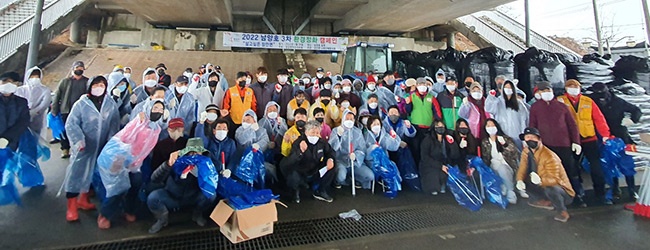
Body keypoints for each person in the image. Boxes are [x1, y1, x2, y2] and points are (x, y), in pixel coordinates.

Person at [97, 102, 164, 229]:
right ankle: (105, 215)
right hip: (119, 158)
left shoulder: (156, 129)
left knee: (136, 184)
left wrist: (135, 164)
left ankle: (129, 210)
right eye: (155, 108)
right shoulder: (138, 122)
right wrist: (120, 161)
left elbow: (146, 149)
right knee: (117, 188)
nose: (158, 111)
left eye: (161, 109)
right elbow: (123, 141)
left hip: (135, 163)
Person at [63, 76, 120, 222]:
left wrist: (110, 143)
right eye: (95, 85)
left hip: (101, 147)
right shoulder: (81, 104)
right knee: (76, 175)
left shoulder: (110, 103)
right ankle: (72, 207)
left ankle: (83, 200)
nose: (99, 87)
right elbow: (71, 124)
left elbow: (114, 123)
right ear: (89, 87)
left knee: (92, 175)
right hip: (83, 148)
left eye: (102, 85)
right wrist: (78, 141)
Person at [529, 81, 584, 207]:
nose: (545, 93)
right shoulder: (536, 108)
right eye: (542, 91)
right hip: (546, 146)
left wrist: (576, 142)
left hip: (564, 145)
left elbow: (572, 125)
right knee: (548, 173)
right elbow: (532, 125)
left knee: (570, 171)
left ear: (552, 91)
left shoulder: (562, 106)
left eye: (547, 90)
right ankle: (554, 199)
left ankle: (576, 196)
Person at [146, 138, 218, 233]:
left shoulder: (207, 165)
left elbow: (213, 183)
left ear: (202, 153)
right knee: (153, 197)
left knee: (212, 195)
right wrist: (168, 164)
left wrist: (203, 174)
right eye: (191, 152)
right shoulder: (177, 162)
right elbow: (155, 179)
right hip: (172, 196)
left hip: (193, 198)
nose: (194, 155)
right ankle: (162, 219)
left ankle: (197, 214)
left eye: (197, 152)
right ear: (186, 152)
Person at [557, 79, 610, 205]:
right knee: (572, 168)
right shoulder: (560, 101)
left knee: (596, 167)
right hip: (571, 140)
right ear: (566, 88)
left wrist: (605, 134)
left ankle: (600, 193)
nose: (573, 88)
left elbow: (599, 119)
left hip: (589, 138)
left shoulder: (588, 101)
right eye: (570, 86)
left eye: (576, 86)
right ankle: (577, 194)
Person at [589, 83, 641, 200]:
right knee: (609, 165)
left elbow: (636, 110)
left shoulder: (617, 102)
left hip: (620, 137)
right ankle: (615, 189)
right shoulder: (590, 101)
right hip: (603, 138)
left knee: (626, 164)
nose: (601, 98)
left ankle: (631, 190)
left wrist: (632, 119)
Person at [516, 128, 575, 223]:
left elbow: (555, 179)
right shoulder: (526, 152)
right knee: (524, 180)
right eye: (527, 137)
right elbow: (522, 168)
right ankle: (546, 201)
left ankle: (562, 211)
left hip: (563, 191)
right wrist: (519, 180)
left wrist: (540, 181)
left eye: (533, 137)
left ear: (539, 139)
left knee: (551, 188)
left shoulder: (549, 156)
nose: (530, 139)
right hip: (541, 183)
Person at [280, 121, 336, 203]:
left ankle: (321, 191)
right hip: (301, 172)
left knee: (332, 165)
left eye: (317, 133)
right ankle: (295, 192)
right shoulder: (298, 142)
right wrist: (300, 152)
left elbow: (330, 152)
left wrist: (330, 159)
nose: (315, 135)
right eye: (312, 132)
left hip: (315, 170)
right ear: (306, 132)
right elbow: (291, 160)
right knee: (292, 173)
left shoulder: (322, 142)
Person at [52, 61, 89, 158]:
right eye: (77, 68)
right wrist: (54, 110)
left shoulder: (87, 82)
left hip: (81, 112)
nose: (79, 70)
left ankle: (77, 149)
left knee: (78, 131)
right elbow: (57, 96)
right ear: (73, 69)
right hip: (66, 110)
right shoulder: (65, 82)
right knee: (65, 130)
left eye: (81, 68)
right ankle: (65, 149)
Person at [329, 110, 374, 189]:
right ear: (343, 119)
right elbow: (331, 148)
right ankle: (339, 181)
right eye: (347, 118)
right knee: (341, 176)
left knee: (369, 176)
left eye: (351, 119)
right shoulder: (336, 130)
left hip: (354, 162)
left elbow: (362, 148)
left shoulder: (358, 132)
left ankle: (355, 178)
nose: (349, 121)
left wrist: (356, 155)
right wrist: (338, 137)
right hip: (341, 161)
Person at [480, 119, 521, 204]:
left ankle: (510, 191)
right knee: (496, 167)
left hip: (507, 165)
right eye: (488, 126)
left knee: (502, 168)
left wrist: (504, 145)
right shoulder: (485, 142)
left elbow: (515, 153)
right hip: (493, 166)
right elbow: (485, 158)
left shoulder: (505, 139)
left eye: (493, 125)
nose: (491, 127)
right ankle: (504, 185)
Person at [406, 77, 442, 165]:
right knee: (416, 148)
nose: (422, 86)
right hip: (416, 127)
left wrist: (438, 123)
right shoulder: (412, 97)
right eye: (420, 84)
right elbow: (408, 111)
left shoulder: (432, 98)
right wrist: (407, 104)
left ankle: (428, 165)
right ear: (416, 86)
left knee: (427, 149)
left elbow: (437, 112)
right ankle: (417, 166)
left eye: (424, 84)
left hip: (428, 128)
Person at [419, 119, 460, 195]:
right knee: (434, 174)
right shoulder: (427, 140)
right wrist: (440, 166)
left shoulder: (447, 138)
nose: (440, 128)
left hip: (445, 163)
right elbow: (424, 157)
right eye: (438, 126)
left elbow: (455, 155)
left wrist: (452, 144)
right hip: (430, 165)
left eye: (442, 126)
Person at [485, 80, 529, 149]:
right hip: (502, 135)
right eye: (506, 87)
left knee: (517, 154)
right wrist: (491, 97)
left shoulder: (519, 104)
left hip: (516, 135)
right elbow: (488, 108)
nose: (508, 90)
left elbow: (524, 120)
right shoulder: (498, 102)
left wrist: (523, 135)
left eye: (510, 88)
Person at [15, 66, 51, 136]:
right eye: (32, 76)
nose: (34, 79)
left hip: (37, 119)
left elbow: (44, 105)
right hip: (20, 120)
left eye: (37, 77)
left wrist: (32, 112)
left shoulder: (45, 90)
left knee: (35, 139)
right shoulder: (19, 90)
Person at [0, 75, 30, 151]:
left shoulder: (21, 102)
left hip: (12, 141)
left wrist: (7, 138)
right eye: (4, 82)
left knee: (9, 161)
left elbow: (23, 121)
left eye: (11, 82)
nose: (8, 85)